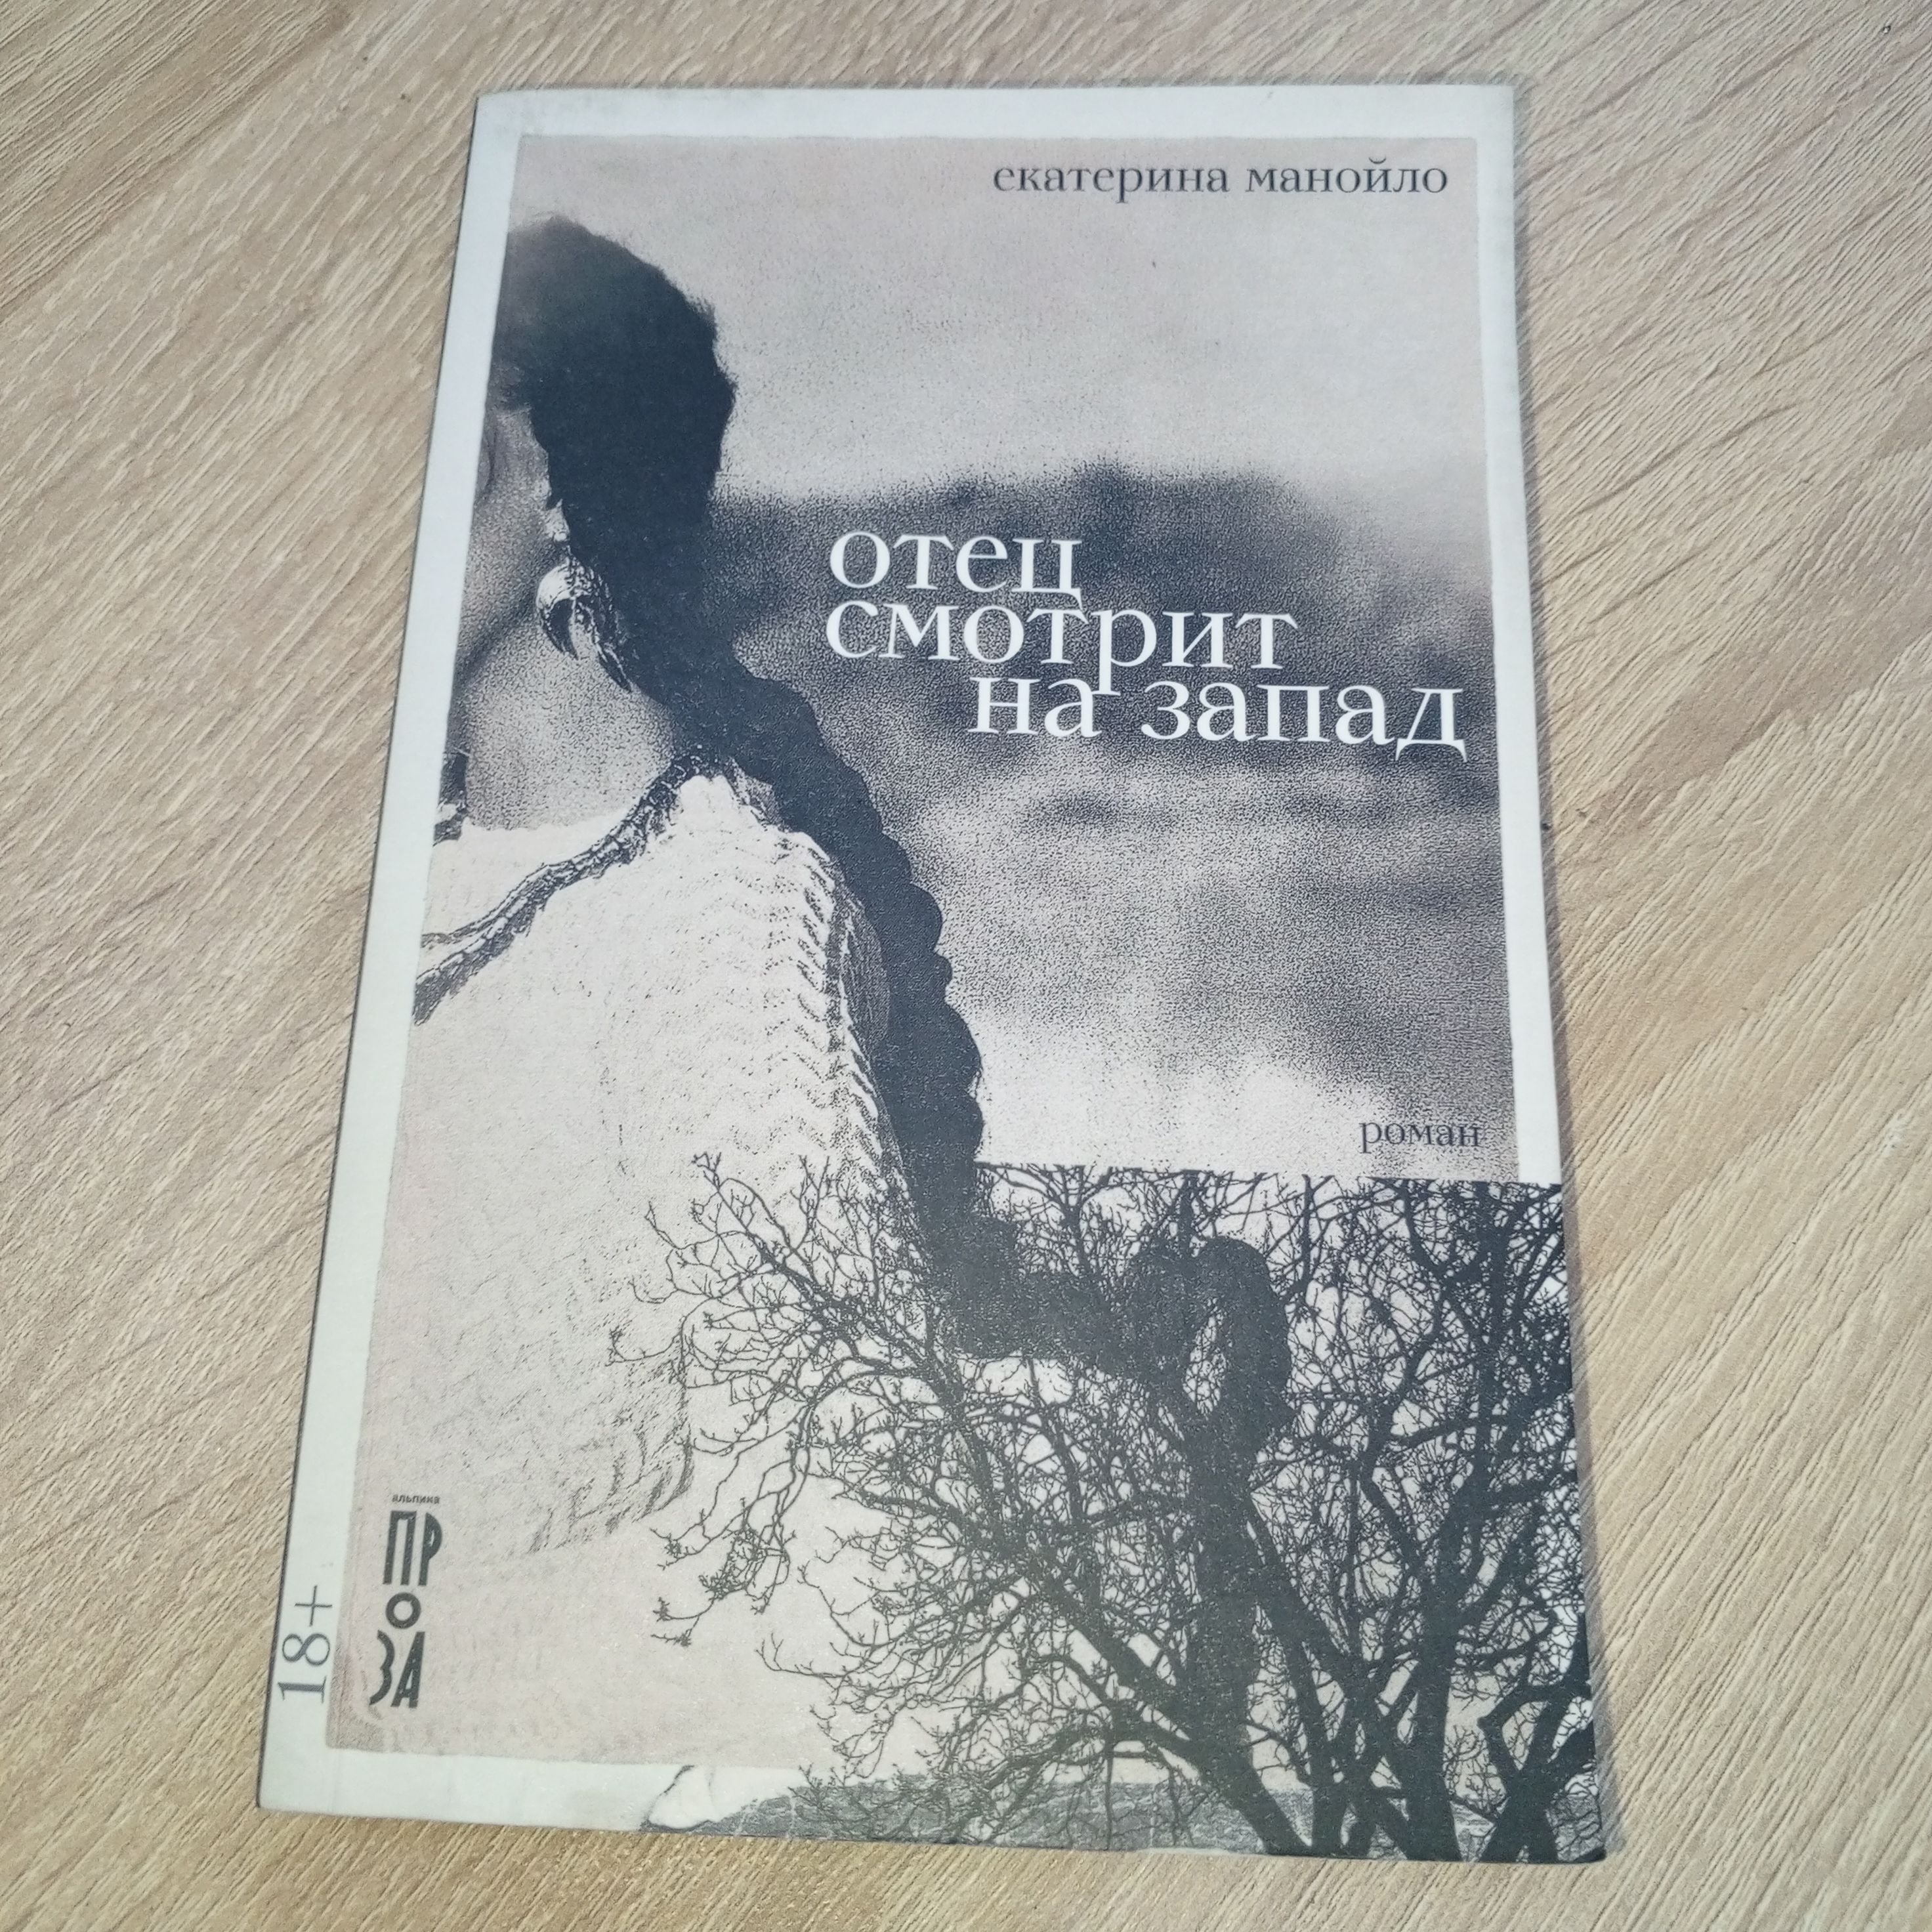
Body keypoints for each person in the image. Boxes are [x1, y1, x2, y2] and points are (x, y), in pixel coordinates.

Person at [330, 219, 985, 1768]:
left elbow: (861, 1554)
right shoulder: (380, 879)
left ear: (558, 483)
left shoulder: (727, 921)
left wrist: (390, 1674)